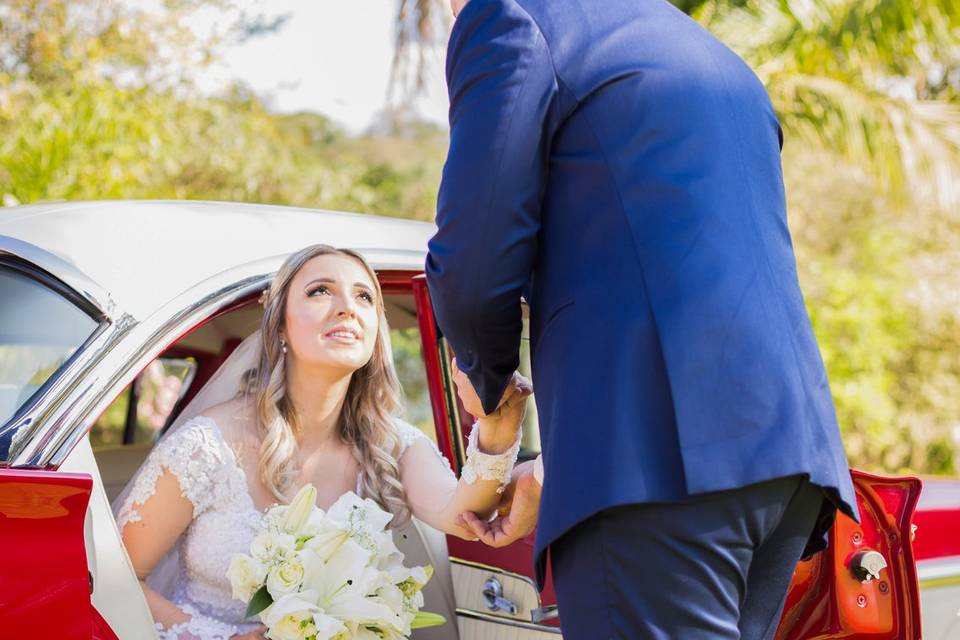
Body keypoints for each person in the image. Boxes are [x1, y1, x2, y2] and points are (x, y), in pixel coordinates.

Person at [427, 0, 858, 638]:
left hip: (654, 469)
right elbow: (669, 262)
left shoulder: (513, 18)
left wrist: (488, 386)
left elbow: (477, 249)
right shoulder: (716, 56)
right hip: (785, 457)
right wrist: (555, 464)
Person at [115, 244, 531, 639]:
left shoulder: (395, 444)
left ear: (374, 334)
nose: (348, 307)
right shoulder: (207, 446)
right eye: (320, 291)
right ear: (280, 325)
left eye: (365, 297)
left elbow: (464, 515)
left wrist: (497, 427)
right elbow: (119, 580)